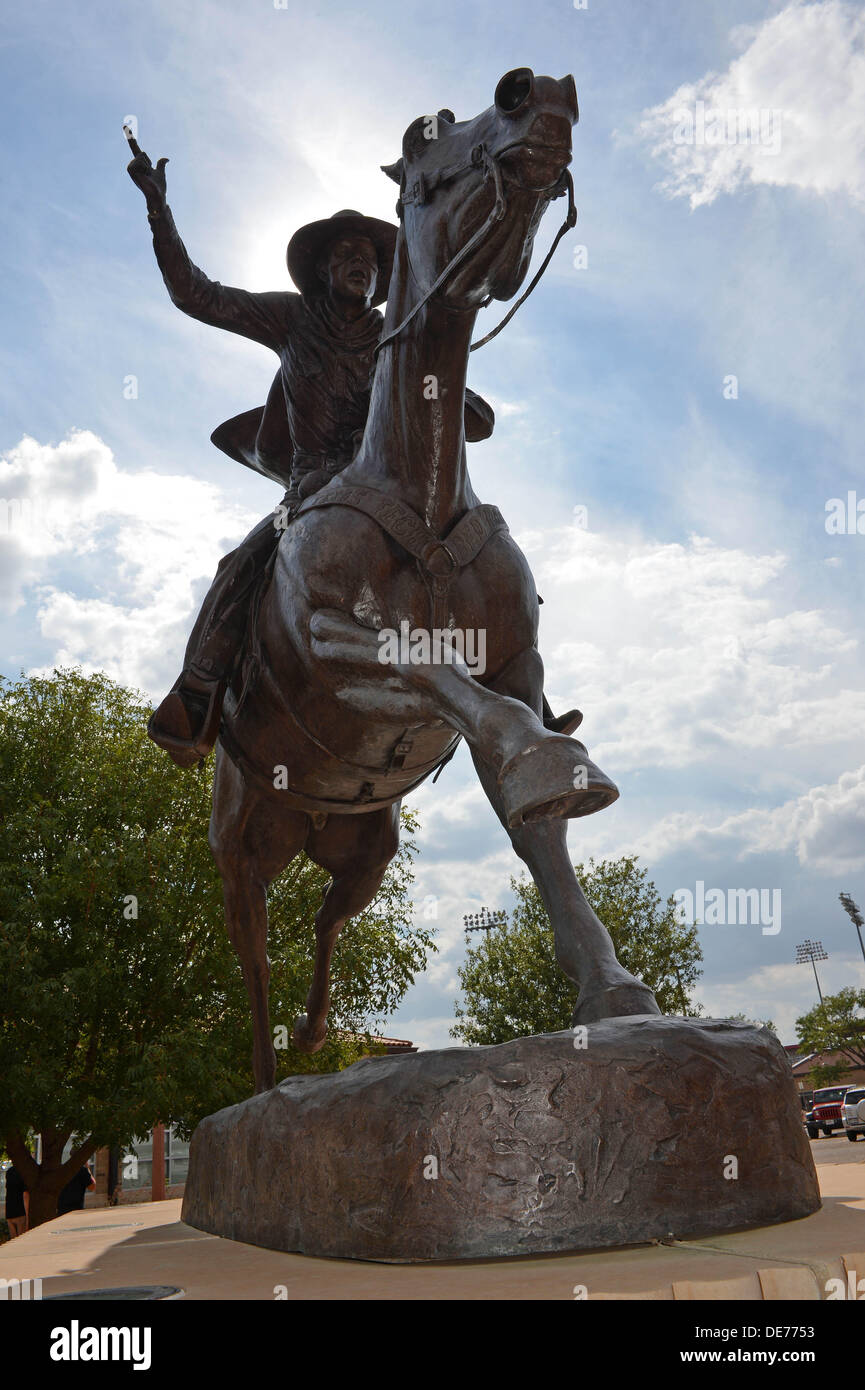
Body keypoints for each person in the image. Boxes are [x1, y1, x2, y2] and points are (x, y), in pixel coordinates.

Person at [126, 137, 494, 767]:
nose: (362, 265)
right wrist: (160, 210)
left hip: (392, 485)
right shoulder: (291, 319)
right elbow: (195, 293)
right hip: (315, 489)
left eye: (372, 260)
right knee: (241, 563)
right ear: (324, 269)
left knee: (480, 544)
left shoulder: (393, 334)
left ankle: (515, 687)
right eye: (347, 255)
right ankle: (201, 684)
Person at [3, 1164, 28, 1238]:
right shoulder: (25, 1172)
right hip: (20, 1211)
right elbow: (25, 1194)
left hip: (9, 1211)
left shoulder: (9, 1171)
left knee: (13, 1241)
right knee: (21, 1240)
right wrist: (28, 1216)